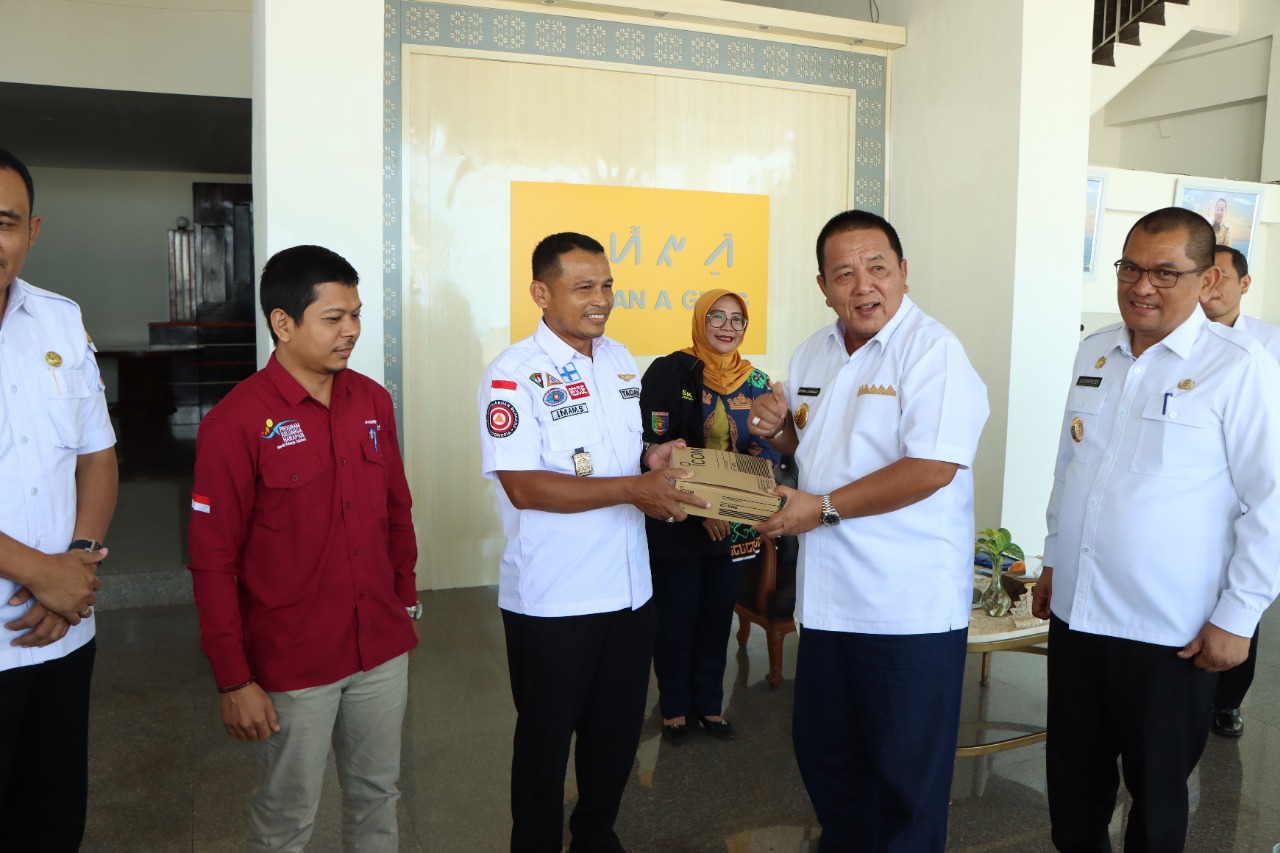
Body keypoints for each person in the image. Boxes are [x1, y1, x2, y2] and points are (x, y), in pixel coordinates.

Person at [1033, 208, 1280, 852]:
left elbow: (1270, 501)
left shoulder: (1239, 365)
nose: (1142, 286)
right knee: (1074, 792)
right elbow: (1070, 467)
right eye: (1131, 268)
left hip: (1169, 630)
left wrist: (1239, 617)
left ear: (1206, 279)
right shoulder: (1095, 350)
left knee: (1157, 797)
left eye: (1165, 273)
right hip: (1079, 616)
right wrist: (1054, 559)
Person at [748, 209, 989, 851]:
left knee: (905, 784)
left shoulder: (933, 352)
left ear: (903, 272)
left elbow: (932, 467)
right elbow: (817, 447)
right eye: (844, 273)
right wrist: (780, 431)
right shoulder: (813, 351)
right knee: (830, 761)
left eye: (877, 267)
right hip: (829, 603)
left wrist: (821, 507)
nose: (863, 286)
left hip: (906, 609)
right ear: (822, 286)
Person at [477, 231, 703, 852]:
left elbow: (619, 453)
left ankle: (596, 836)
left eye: (606, 285)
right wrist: (634, 488)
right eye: (583, 287)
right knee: (545, 745)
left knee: (616, 737)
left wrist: (652, 457)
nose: (600, 299)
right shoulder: (513, 374)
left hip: (629, 591)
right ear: (541, 293)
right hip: (554, 598)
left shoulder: (620, 359)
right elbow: (523, 485)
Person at [188, 244, 419, 852]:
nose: (352, 331)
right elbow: (212, 561)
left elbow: (397, 508)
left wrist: (404, 599)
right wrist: (233, 680)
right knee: (287, 818)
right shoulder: (236, 422)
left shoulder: (372, 401)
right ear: (283, 323)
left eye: (356, 314)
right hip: (293, 663)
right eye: (334, 318)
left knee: (379, 796)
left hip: (380, 646)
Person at [0, 147, 117, 851]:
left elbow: (96, 455)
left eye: (4, 222)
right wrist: (40, 572)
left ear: (31, 231)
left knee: (50, 822)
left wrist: (77, 560)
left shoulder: (59, 321)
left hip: (62, 635)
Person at [639, 289, 779, 744]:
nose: (726, 327)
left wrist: (731, 506)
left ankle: (710, 706)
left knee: (717, 617)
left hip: (731, 526)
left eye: (737, 319)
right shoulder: (671, 370)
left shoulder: (756, 382)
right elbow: (659, 444)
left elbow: (765, 450)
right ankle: (675, 710)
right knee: (676, 618)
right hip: (678, 520)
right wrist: (704, 510)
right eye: (716, 316)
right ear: (701, 320)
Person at [1199, 244, 1280, 738]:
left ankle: (1228, 701)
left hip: (1251, 480)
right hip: (1201, 490)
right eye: (1202, 275)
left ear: (1244, 284)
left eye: (1221, 277)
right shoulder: (1179, 338)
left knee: (1242, 587)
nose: (1209, 286)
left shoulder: (1268, 344)